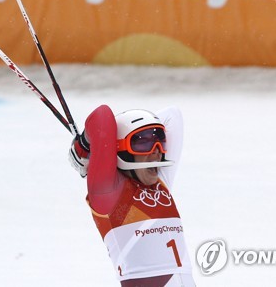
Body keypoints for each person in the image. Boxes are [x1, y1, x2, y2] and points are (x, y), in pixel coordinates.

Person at [69, 104, 195, 286]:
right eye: (143, 142)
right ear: (121, 149)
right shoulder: (109, 192)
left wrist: (91, 146)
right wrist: (85, 145)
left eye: (159, 140)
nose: (156, 151)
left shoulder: (160, 182)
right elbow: (102, 116)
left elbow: (173, 115)